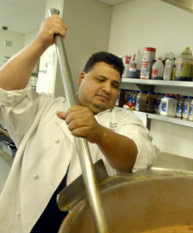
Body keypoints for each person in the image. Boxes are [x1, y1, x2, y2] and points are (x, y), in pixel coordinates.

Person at [0, 15, 157, 233]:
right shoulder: (44, 107)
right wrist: (40, 43)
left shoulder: (124, 120)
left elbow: (136, 158)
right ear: (82, 78)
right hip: (23, 223)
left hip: (84, 225)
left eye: (114, 84)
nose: (107, 89)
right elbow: (6, 92)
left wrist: (99, 134)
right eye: (100, 80)